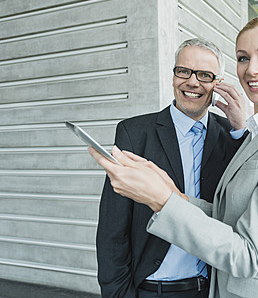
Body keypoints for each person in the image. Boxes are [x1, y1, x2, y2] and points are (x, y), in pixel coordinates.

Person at [91, 13, 258, 298]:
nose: (253, 69)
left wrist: (162, 199)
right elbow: (112, 231)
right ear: (173, 75)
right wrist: (174, 195)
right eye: (243, 58)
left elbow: (247, 253)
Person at [96, 37, 247, 298]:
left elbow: (239, 207)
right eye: (184, 71)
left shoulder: (230, 135)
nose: (192, 81)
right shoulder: (134, 133)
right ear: (174, 75)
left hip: (209, 289)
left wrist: (240, 130)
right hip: (151, 290)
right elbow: (112, 227)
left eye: (204, 75)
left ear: (217, 84)